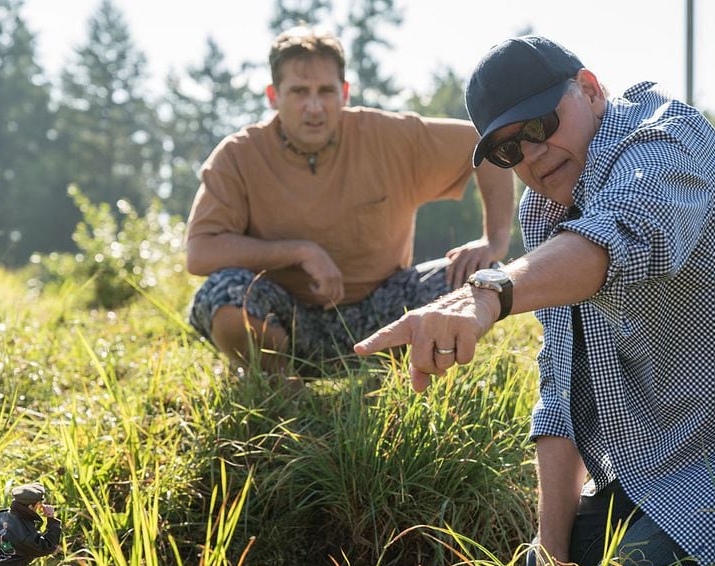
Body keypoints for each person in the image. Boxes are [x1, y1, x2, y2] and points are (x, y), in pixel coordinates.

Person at [355, 35, 715, 566]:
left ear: (591, 91)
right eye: (507, 150)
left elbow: (621, 233)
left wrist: (488, 294)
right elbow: (562, 384)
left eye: (540, 125)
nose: (531, 154)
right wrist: (551, 550)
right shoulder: (545, 210)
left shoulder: (663, 137)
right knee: (551, 565)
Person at [186, 26, 514, 375]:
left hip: (387, 313)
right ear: (273, 95)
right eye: (299, 91)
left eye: (325, 91)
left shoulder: (388, 137)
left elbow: (483, 144)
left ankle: (414, 378)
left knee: (482, 279)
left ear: (343, 92)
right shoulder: (238, 156)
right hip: (284, 318)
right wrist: (299, 251)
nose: (314, 107)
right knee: (221, 294)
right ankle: (283, 388)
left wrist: (493, 241)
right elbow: (201, 253)